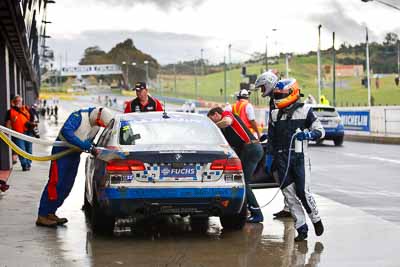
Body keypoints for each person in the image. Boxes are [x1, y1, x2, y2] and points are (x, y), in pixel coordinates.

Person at [36, 107, 113, 227]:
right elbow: (67, 132)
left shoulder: (96, 126)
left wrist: (93, 148)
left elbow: (89, 142)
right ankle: (42, 215)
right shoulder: (78, 116)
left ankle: (51, 212)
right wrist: (84, 145)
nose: (99, 125)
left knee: (67, 185)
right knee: (56, 183)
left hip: (74, 156)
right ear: (97, 116)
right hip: (61, 154)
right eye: (99, 123)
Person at [268, 78, 325, 241]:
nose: (277, 97)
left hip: (299, 158)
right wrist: (269, 157)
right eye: (276, 94)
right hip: (280, 159)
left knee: (303, 192)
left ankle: (315, 218)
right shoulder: (274, 114)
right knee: (290, 196)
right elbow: (271, 139)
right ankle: (302, 228)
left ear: (292, 94)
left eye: (281, 94)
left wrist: (309, 134)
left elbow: (321, 131)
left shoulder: (306, 110)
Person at [207, 107, 264, 223]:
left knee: (242, 182)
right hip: (249, 149)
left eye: (212, 119)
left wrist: (212, 127)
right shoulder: (225, 131)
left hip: (251, 148)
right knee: (240, 181)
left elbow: (227, 122)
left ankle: (256, 213)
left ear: (217, 114)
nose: (213, 123)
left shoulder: (227, 115)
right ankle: (248, 209)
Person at [254, 71, 292, 219]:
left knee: (284, 176)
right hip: (279, 142)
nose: (262, 91)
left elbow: (279, 123)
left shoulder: (279, 98)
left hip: (284, 145)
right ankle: (288, 206)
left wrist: (272, 138)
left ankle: (290, 207)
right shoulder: (275, 98)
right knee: (280, 175)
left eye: (263, 87)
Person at [4, 95, 35, 171]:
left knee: (29, 149)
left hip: (28, 132)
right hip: (17, 133)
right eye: (16, 101)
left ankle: (29, 164)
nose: (18, 102)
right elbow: (8, 123)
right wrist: (7, 133)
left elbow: (33, 119)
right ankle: (24, 165)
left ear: (22, 101)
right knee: (21, 149)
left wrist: (32, 125)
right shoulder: (10, 112)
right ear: (13, 102)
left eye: (19, 101)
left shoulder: (27, 109)